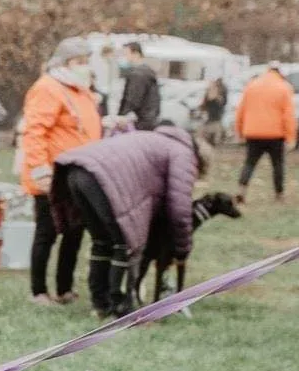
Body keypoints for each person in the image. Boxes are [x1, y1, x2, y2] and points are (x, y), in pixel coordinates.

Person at [54, 125, 208, 318]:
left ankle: (101, 305)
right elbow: (179, 209)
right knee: (125, 244)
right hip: (104, 178)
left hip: (77, 170)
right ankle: (123, 309)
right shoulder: (183, 153)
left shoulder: (152, 139)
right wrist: (182, 250)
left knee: (102, 241)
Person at [20, 39, 103, 306]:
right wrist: (39, 170)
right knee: (47, 232)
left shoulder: (81, 91)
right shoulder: (48, 88)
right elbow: (35, 131)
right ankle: (39, 290)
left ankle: (65, 288)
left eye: (86, 61)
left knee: (75, 233)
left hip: (79, 176)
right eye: (80, 62)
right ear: (65, 63)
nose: (85, 67)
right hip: (52, 177)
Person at [233, 62, 298, 203]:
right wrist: (291, 137)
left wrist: (239, 132)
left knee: (249, 163)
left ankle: (241, 191)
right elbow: (288, 115)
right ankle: (279, 195)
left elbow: (240, 111)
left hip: (253, 133)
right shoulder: (284, 87)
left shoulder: (252, 85)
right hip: (275, 135)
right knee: (278, 165)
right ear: (280, 72)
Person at [115, 41, 162, 132]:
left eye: (126, 54)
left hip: (140, 122)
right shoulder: (148, 71)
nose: (124, 57)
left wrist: (122, 116)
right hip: (149, 120)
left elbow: (132, 99)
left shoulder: (138, 74)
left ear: (136, 54)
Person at [199, 76, 228, 143]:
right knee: (212, 124)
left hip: (216, 110)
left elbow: (223, 101)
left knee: (215, 124)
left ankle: (216, 139)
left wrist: (217, 98)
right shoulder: (212, 89)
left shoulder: (222, 89)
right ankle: (213, 138)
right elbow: (206, 100)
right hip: (212, 110)